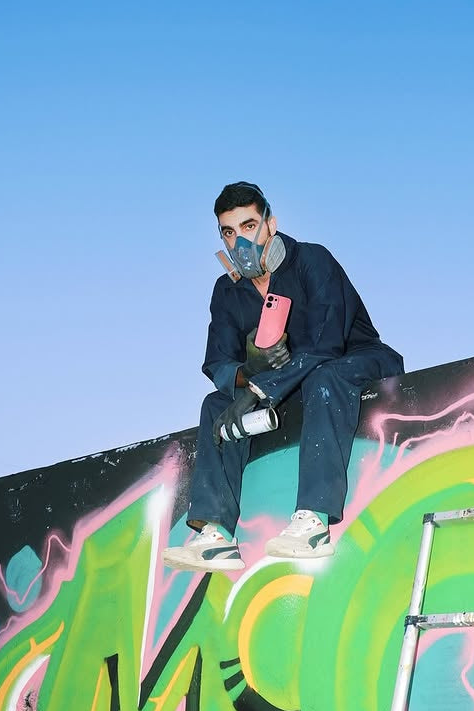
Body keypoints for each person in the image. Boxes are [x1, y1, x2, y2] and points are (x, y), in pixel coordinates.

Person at [161, 182, 404, 573]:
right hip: (290, 387)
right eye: (229, 232)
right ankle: (217, 536)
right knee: (215, 405)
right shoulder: (226, 292)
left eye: (249, 226)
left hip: (355, 362)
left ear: (270, 225)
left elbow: (327, 344)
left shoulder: (312, 260)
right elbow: (218, 361)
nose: (240, 241)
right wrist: (246, 379)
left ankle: (314, 523)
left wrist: (259, 389)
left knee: (323, 375)